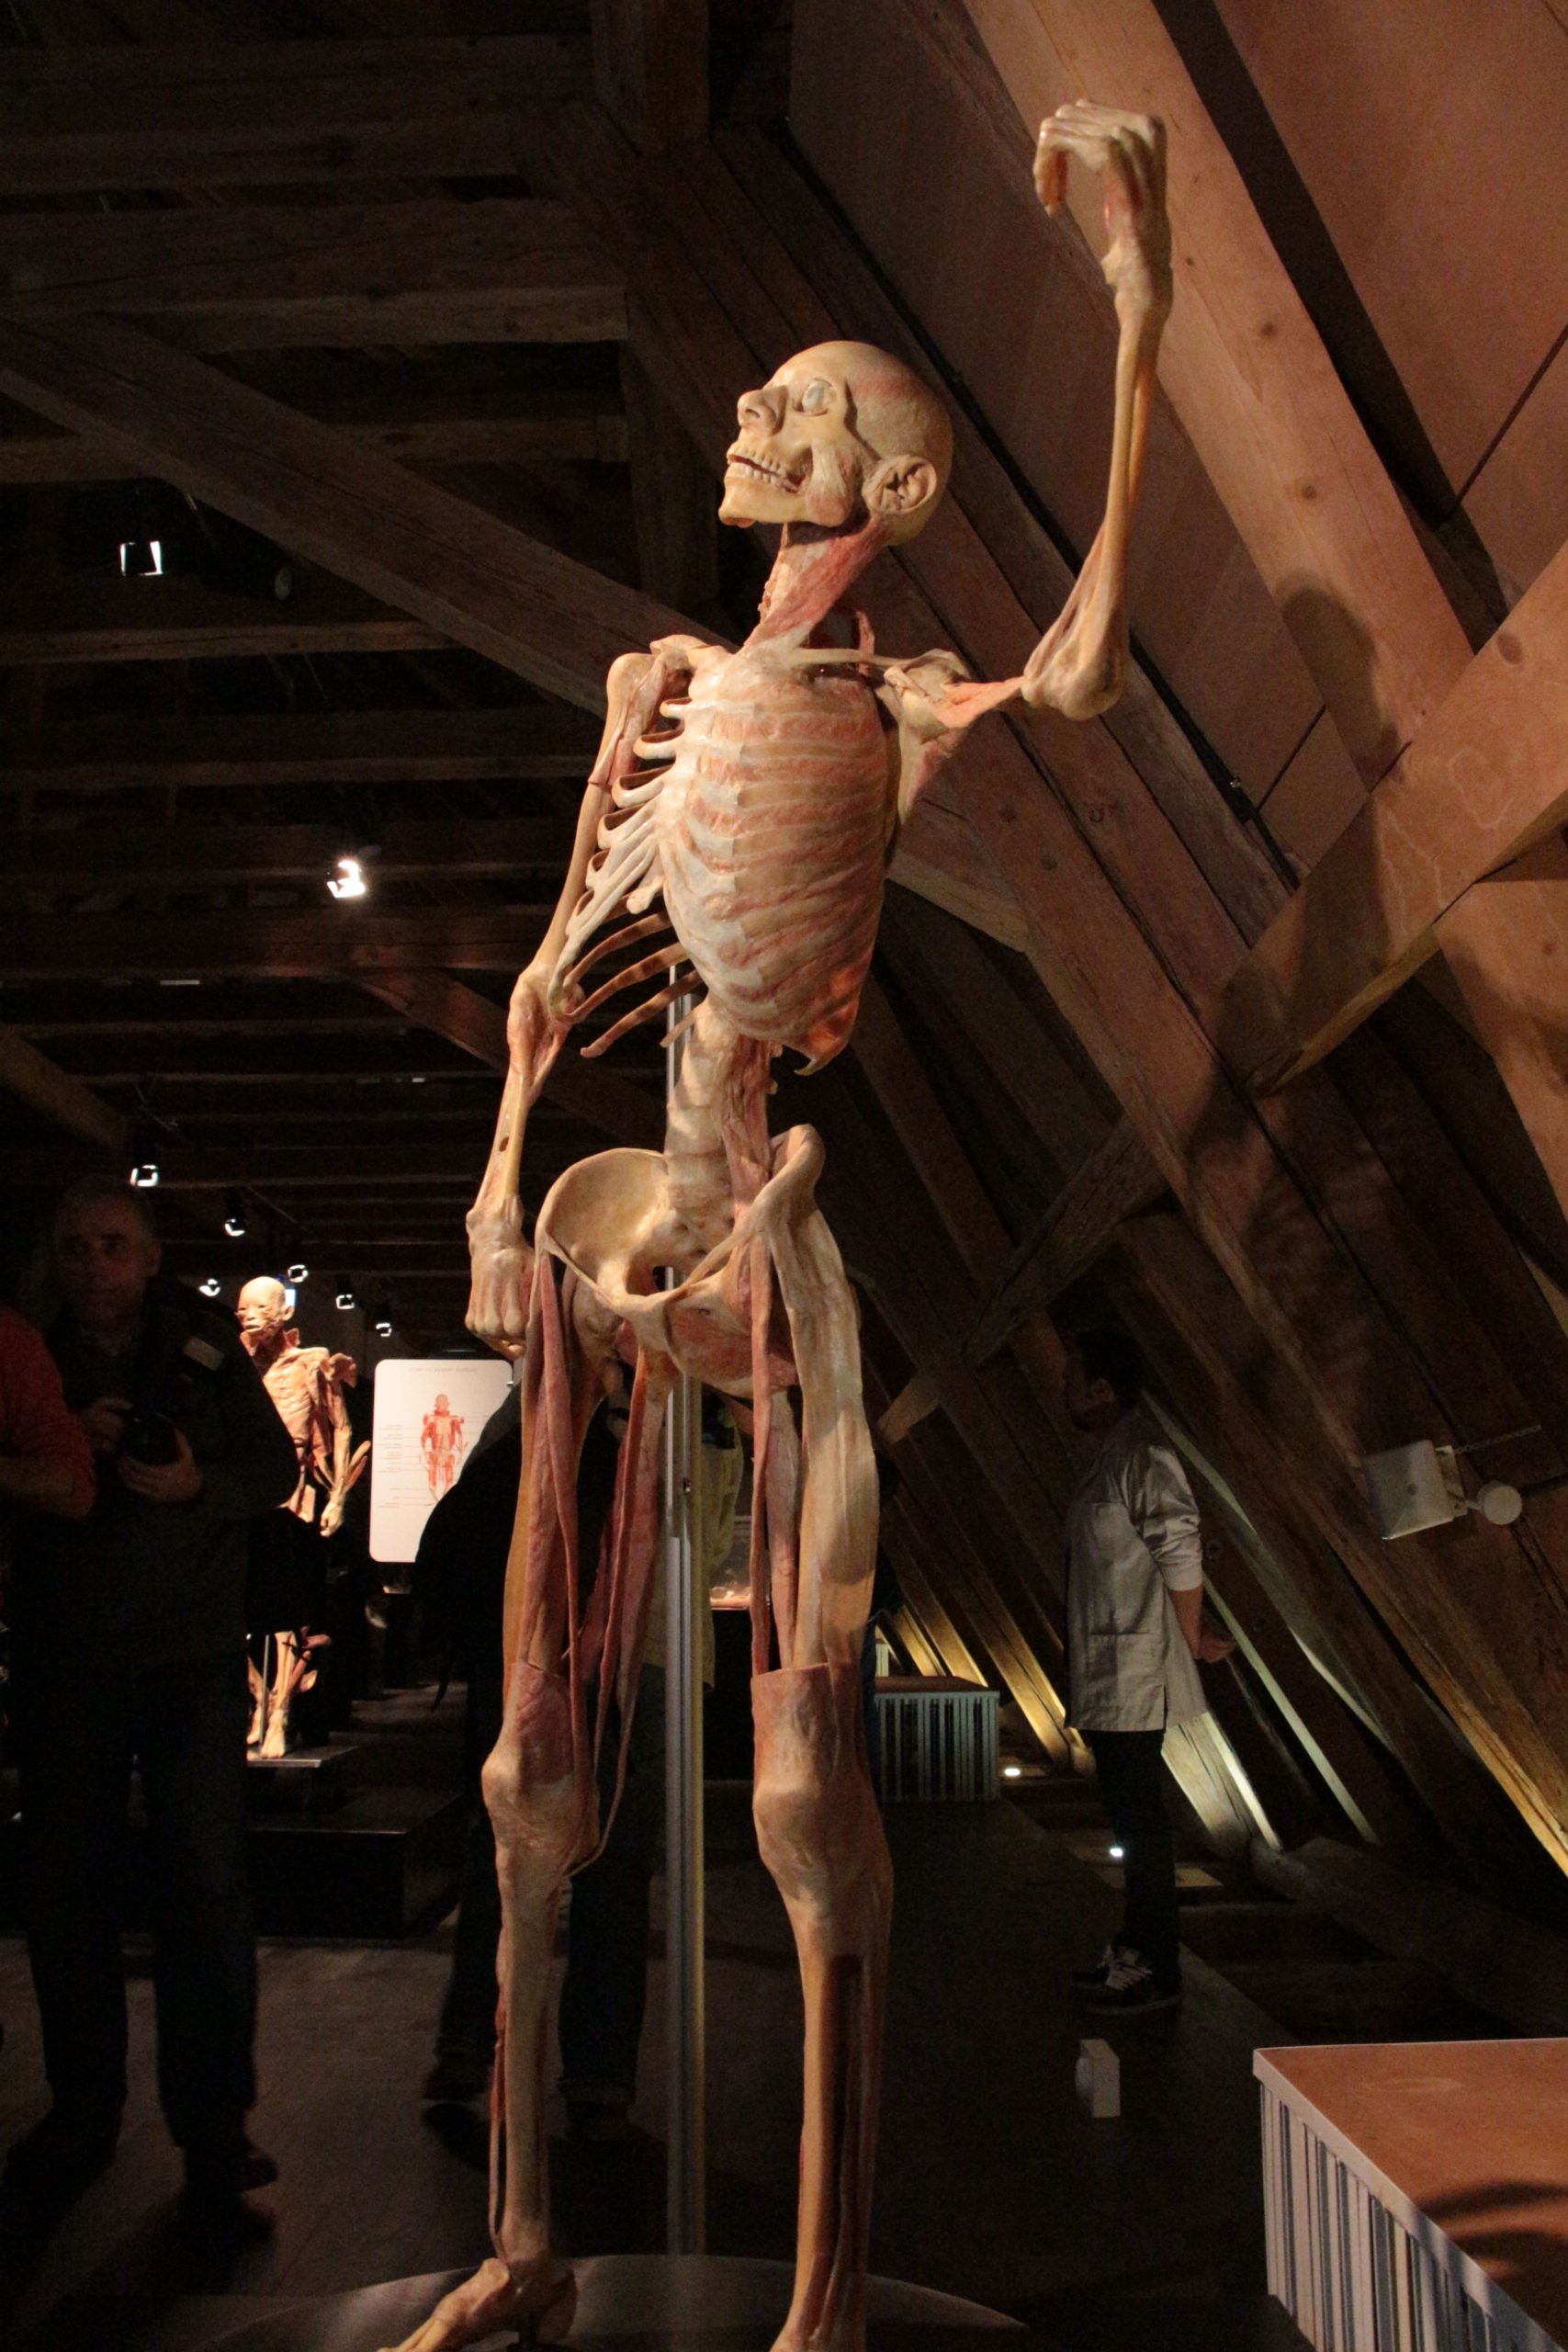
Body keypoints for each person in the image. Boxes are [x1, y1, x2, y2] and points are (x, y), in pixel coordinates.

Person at [4, 1179, 298, 2213]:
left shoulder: (203, 1349)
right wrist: (58, 1442)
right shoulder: (29, 1353)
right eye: (76, 1247)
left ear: (150, 1254)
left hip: (190, 1664)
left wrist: (195, 1484)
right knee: (65, 1892)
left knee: (207, 1892)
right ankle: (82, 2115)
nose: (95, 1266)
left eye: (113, 1245)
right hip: (66, 1662)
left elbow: (275, 1467)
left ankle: (214, 2129)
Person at [1062, 1328, 1233, 2013]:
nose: (1065, 1390)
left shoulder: (1143, 1455)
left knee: (1140, 1823)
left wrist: (1190, 1636)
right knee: (1128, 1819)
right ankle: (1133, 1947)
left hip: (1134, 1670)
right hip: (1112, 1665)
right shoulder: (1113, 1455)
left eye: (1073, 1379)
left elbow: (1179, 1549)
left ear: (1102, 1389)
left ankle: (1155, 1967)